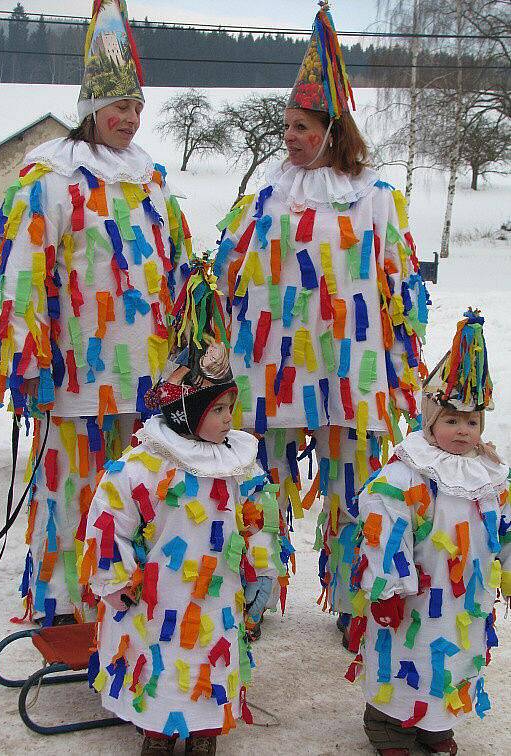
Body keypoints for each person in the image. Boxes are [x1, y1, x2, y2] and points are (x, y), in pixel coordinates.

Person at [214, 1, 428, 632]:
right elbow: (228, 275)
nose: (290, 137)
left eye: (301, 126)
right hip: (272, 370)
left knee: (352, 493)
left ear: (332, 130)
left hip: (348, 372)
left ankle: (354, 600)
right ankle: (255, 594)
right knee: (263, 486)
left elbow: (400, 289)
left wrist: (401, 368)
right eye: (286, 126)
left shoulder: (376, 202)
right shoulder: (265, 198)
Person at [0, 0, 191, 625]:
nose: (129, 119)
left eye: (136, 107)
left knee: (136, 495)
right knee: (72, 491)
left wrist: (189, 342)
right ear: (89, 110)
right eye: (118, 107)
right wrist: (28, 359)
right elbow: (23, 274)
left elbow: (178, 266)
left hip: (146, 378)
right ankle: (66, 611)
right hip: (74, 376)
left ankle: (128, 613)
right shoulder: (50, 178)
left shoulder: (152, 180)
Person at [84, 255, 281, 755]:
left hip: (218, 597)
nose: (226, 419)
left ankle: (202, 732)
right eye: (216, 410)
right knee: (159, 662)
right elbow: (110, 519)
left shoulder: (239, 463)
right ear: (183, 412)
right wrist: (113, 578)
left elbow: (258, 520)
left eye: (229, 408)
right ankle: (156, 728)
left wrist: (261, 569)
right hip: (157, 598)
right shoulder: (147, 465)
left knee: (210, 661)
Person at [347, 310, 510, 756]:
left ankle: (437, 723)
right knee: (405, 657)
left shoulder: (493, 476)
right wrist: (386, 588)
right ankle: (388, 725)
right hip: (414, 596)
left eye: (473, 422)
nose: (464, 431)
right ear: (430, 421)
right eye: (452, 420)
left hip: (465, 603)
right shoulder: (407, 474)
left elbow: (505, 529)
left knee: (454, 658)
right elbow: (385, 525)